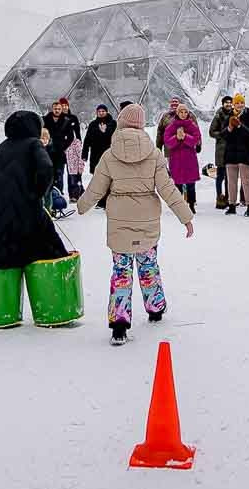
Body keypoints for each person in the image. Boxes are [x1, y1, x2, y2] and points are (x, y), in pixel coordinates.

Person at [79, 102, 196, 346]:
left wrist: (81, 206)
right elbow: (167, 189)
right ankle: (155, 308)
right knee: (148, 265)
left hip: (119, 223)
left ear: (120, 123)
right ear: (142, 126)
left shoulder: (109, 155)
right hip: (147, 221)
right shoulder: (153, 154)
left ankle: (119, 325)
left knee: (121, 272)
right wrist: (186, 217)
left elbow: (95, 189)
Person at [0, 109, 69, 272]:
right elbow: (46, 168)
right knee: (52, 251)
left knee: (1, 260)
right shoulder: (34, 144)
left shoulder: (2, 147)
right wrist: (35, 193)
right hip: (23, 217)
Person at [160, 97, 203, 208]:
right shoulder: (171, 126)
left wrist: (185, 137)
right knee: (177, 182)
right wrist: (176, 138)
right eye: (181, 112)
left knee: (191, 183)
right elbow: (167, 141)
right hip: (176, 158)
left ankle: (191, 204)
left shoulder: (191, 125)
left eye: (185, 112)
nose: (183, 114)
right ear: (177, 113)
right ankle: (179, 205)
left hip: (189, 158)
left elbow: (196, 138)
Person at [223, 96, 249, 214]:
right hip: (231, 153)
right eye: (237, 103)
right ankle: (232, 205)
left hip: (245, 153)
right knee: (231, 181)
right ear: (234, 104)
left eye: (241, 103)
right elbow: (223, 135)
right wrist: (229, 128)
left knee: (246, 180)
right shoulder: (229, 116)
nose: (239, 105)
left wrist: (239, 126)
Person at [43, 96, 81, 189]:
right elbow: (42, 132)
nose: (57, 110)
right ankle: (49, 189)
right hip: (48, 149)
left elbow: (71, 136)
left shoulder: (66, 120)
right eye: (55, 109)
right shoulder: (45, 119)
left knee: (59, 171)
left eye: (59, 109)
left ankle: (59, 190)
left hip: (60, 150)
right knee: (48, 170)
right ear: (52, 109)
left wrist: (65, 146)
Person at [208, 95, 237, 210]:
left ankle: (229, 198)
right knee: (220, 176)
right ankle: (219, 198)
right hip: (221, 150)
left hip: (232, 149)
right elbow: (211, 131)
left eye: (230, 102)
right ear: (223, 104)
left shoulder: (234, 115)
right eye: (226, 103)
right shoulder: (218, 116)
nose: (228, 104)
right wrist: (221, 135)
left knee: (230, 176)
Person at [83, 104, 118, 175]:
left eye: (103, 111)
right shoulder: (93, 124)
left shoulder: (113, 123)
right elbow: (87, 140)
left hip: (109, 152)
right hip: (95, 154)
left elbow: (116, 137)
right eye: (99, 111)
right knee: (97, 176)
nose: (101, 113)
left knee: (110, 174)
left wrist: (105, 131)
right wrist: (84, 154)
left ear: (107, 112)